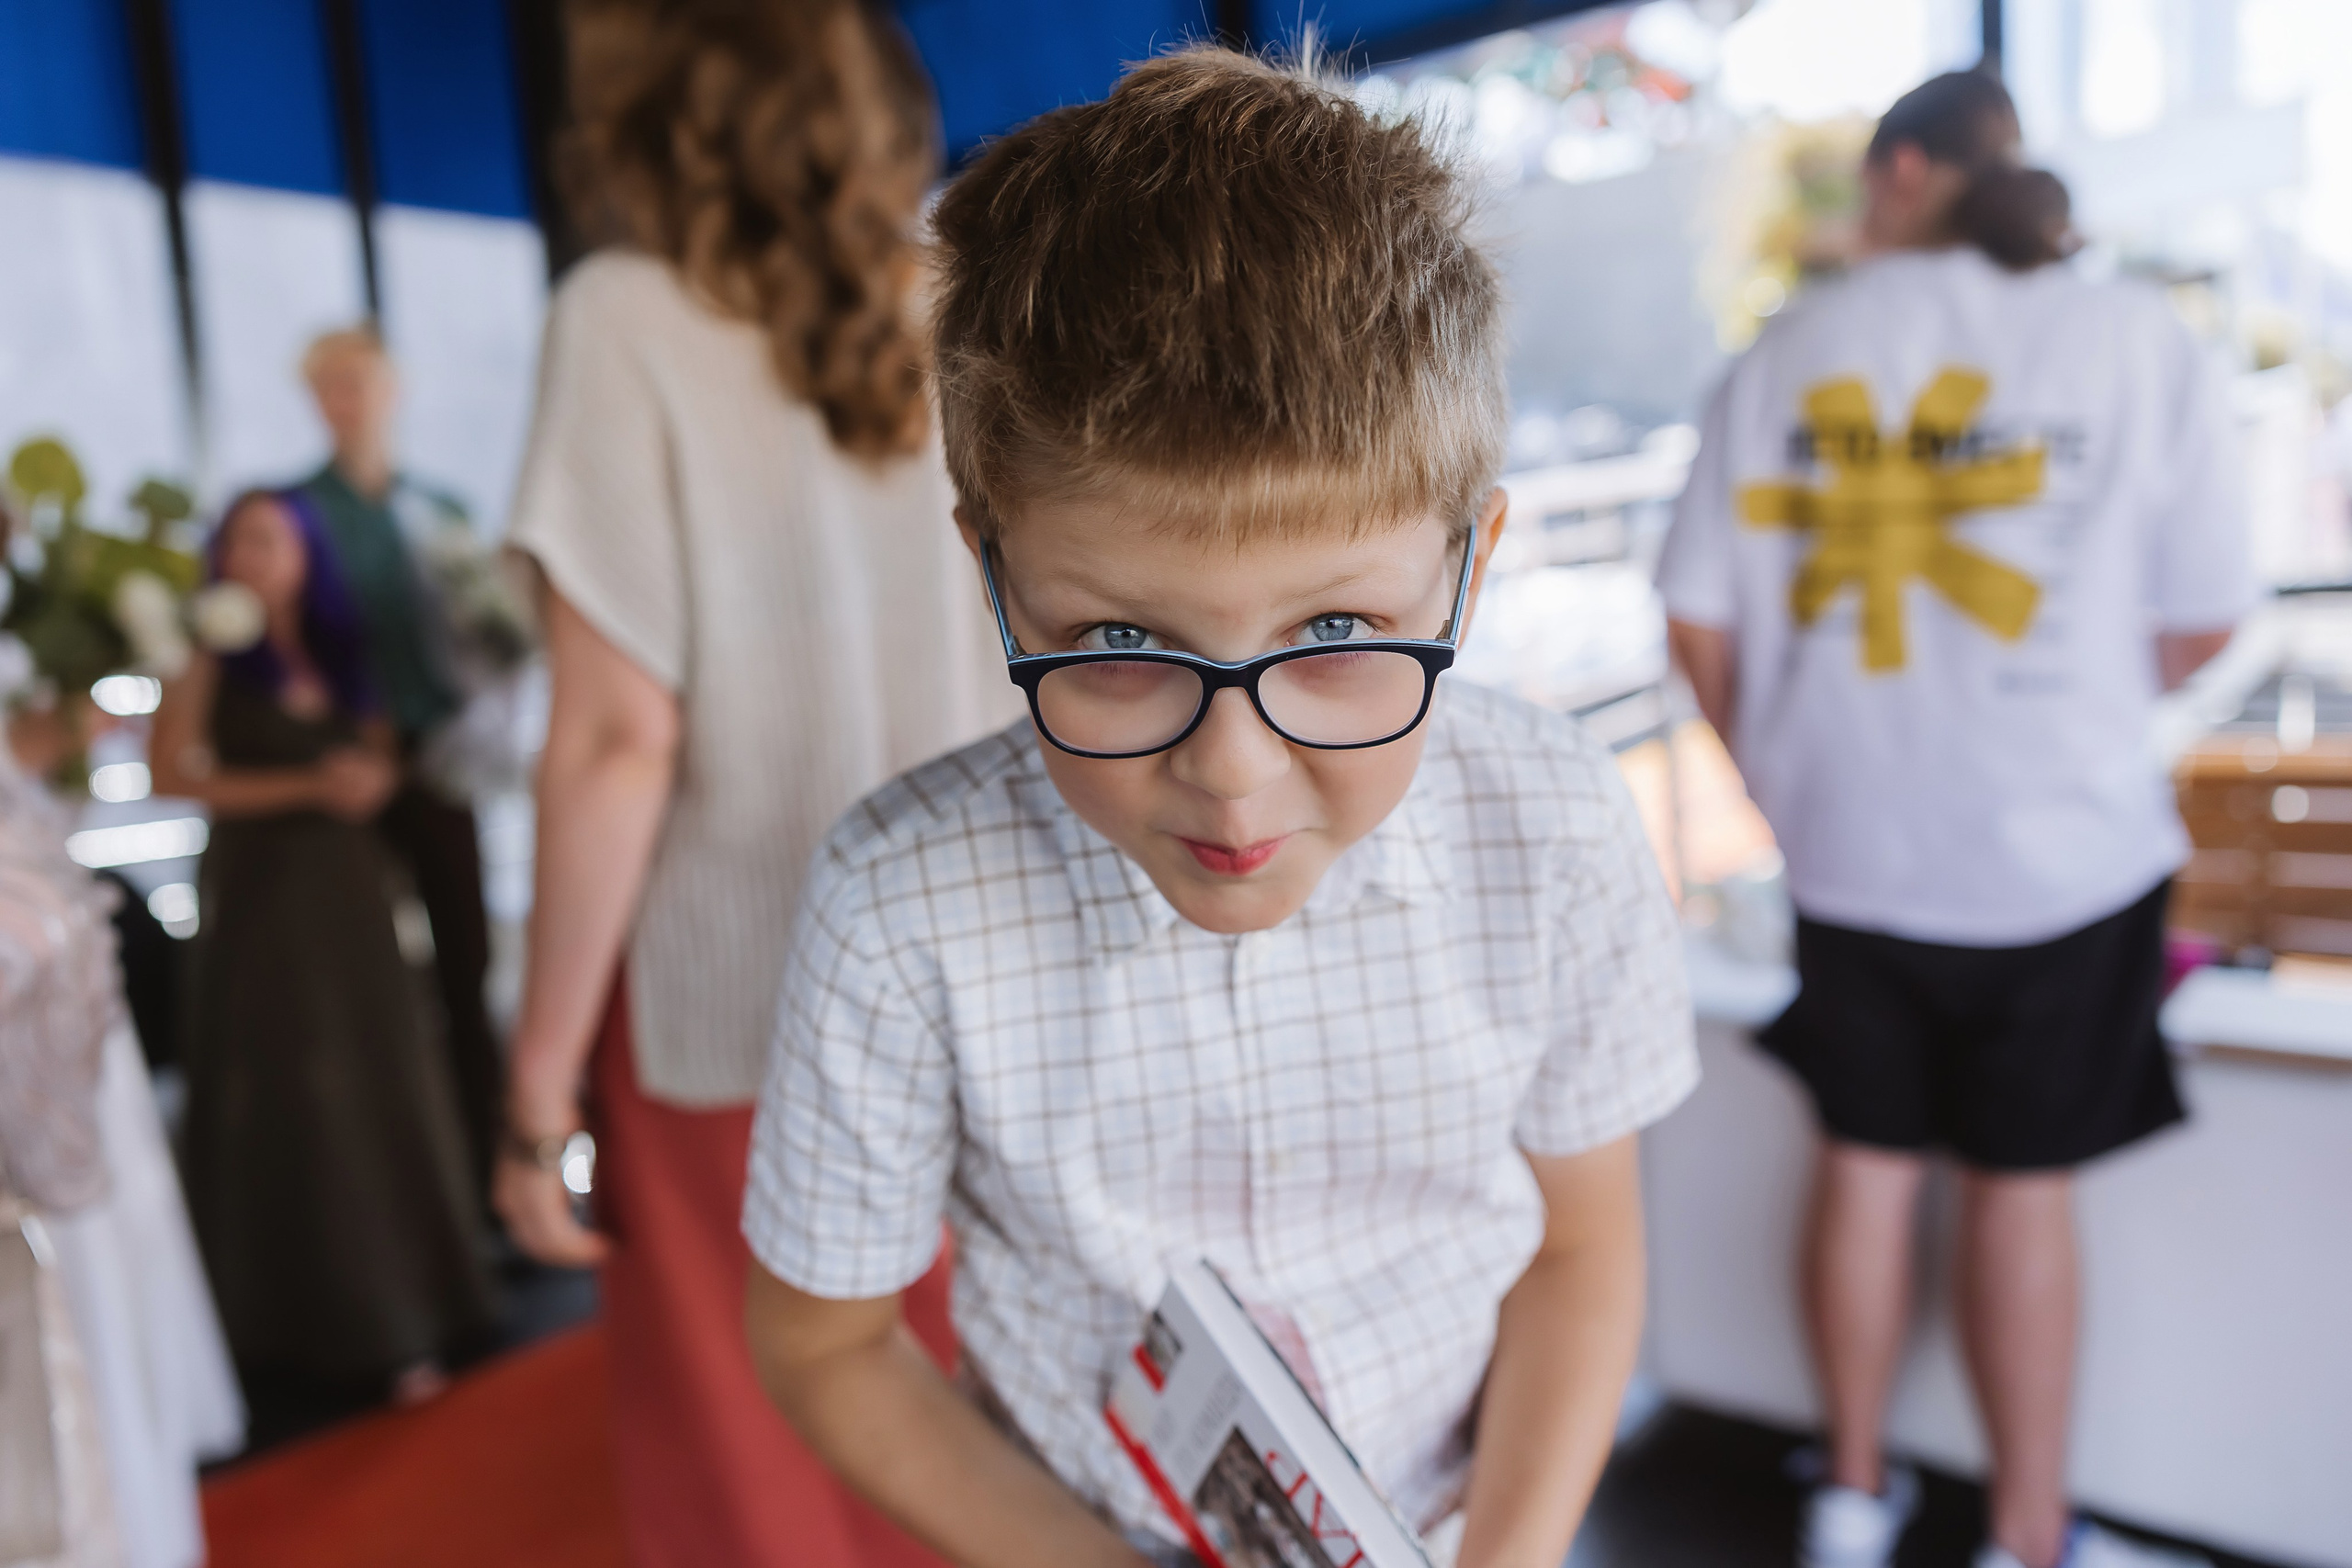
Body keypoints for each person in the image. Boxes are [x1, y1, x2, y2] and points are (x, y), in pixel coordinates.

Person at [740, 49, 1698, 1568]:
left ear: (1469, 562)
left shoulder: (1557, 831)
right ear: (993, 565)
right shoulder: (899, 904)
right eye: (1122, 646)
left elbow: (1582, 1244)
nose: (1235, 772)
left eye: (1333, 640)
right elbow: (823, 1341)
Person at [1657, 72, 2252, 1568]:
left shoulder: (1787, 351)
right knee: (2020, 1187)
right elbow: (2203, 619)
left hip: (1851, 852)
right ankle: (2029, 1538)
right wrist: (2061, 705)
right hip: (2062, 848)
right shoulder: (2129, 334)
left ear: (1904, 172)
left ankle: (1850, 1501)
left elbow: (1698, 622)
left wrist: (1781, 772)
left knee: (1863, 1163)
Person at [491, 2, 1012, 1563]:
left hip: (742, 995)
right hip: (991, 953)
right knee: (989, 1423)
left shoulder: (626, 317)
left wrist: (533, 1087)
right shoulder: (979, 299)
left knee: (760, 1463)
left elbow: (613, 739)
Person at [155, 490, 493, 1407]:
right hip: (265, 904)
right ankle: (314, 1326)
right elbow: (171, 771)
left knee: (382, 1085)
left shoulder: (344, 647)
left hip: (350, 897)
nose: (252, 556)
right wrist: (307, 785)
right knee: (298, 1099)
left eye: (269, 539)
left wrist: (364, 780)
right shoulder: (205, 650)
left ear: (304, 553)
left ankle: (419, 1305)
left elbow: (379, 750)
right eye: (237, 541)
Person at [299, 328, 505, 1206]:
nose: (349, 397)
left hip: (442, 763)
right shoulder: (294, 513)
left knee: (467, 966)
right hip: (343, 772)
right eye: (331, 383)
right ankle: (400, 1197)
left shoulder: (442, 510)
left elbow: (492, 639)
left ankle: (492, 1172)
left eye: (362, 381)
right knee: (367, 982)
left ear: (392, 389)